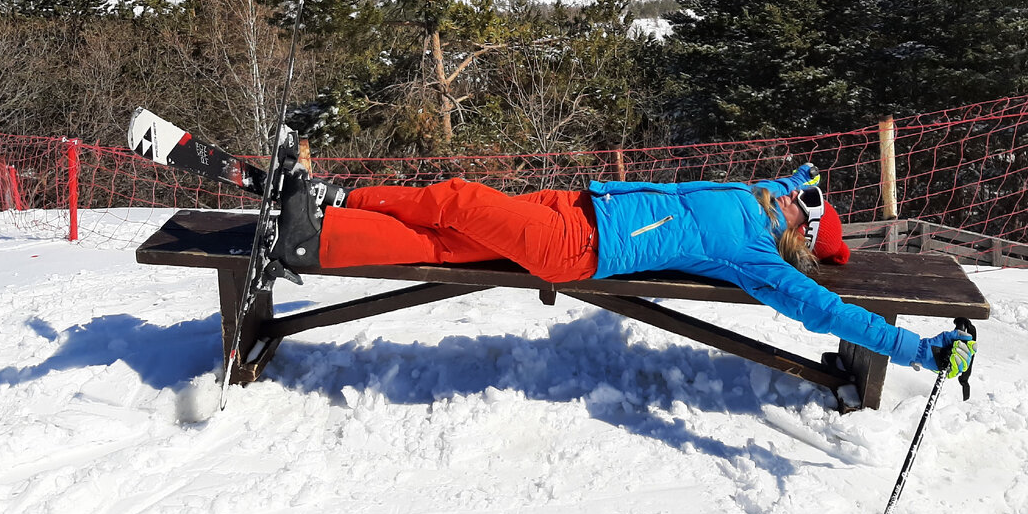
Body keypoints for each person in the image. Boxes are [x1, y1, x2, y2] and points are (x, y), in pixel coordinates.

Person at [270, 163, 976, 380]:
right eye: (805, 190)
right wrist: (801, 177)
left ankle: (334, 201)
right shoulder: (756, 199)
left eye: (809, 203)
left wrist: (919, 349)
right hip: (576, 207)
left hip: (576, 245)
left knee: (458, 200)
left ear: (800, 231)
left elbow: (824, 311)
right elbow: (783, 178)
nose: (798, 193)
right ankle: (318, 236)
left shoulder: (759, 255)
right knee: (445, 240)